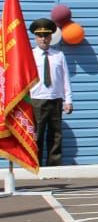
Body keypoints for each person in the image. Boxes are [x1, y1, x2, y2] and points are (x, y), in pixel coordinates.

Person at [29, 18, 73, 166]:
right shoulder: (30, 55)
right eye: (40, 36)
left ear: (50, 37)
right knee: (38, 134)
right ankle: (36, 165)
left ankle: (54, 166)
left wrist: (68, 100)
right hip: (36, 99)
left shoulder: (58, 55)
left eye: (46, 36)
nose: (43, 39)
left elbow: (65, 78)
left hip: (55, 99)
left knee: (55, 135)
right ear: (35, 37)